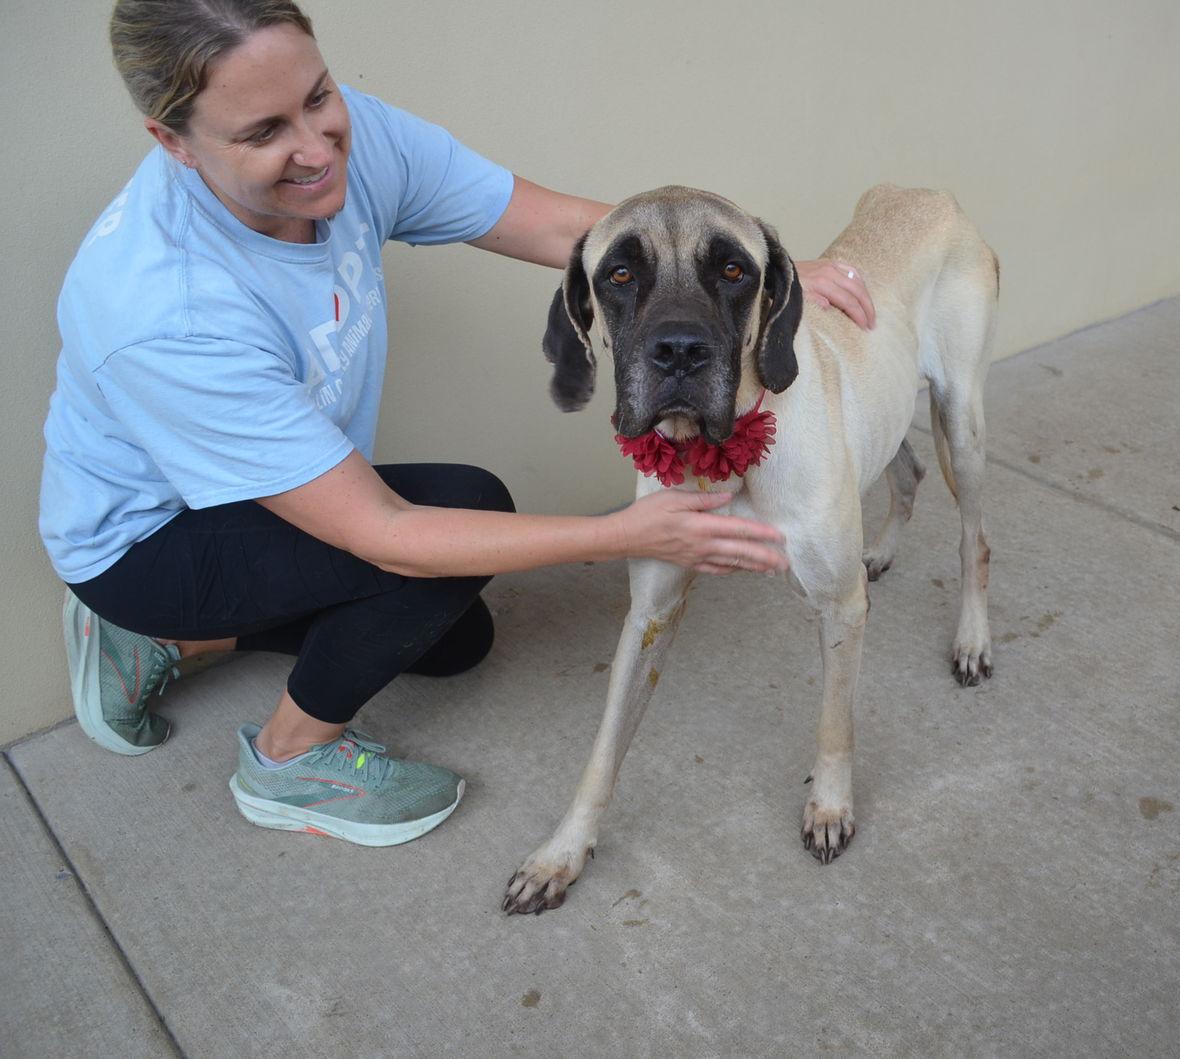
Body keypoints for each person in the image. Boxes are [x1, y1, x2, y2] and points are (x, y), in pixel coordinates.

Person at [40, 0, 875, 848]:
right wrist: (625, 531)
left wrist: (757, 269)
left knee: (454, 639)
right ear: (173, 143)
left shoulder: (344, 142)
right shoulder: (164, 309)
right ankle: (285, 762)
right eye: (263, 132)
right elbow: (389, 533)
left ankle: (172, 646)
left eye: (319, 96)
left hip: (255, 494)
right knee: (449, 540)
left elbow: (560, 228)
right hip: (148, 537)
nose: (318, 146)